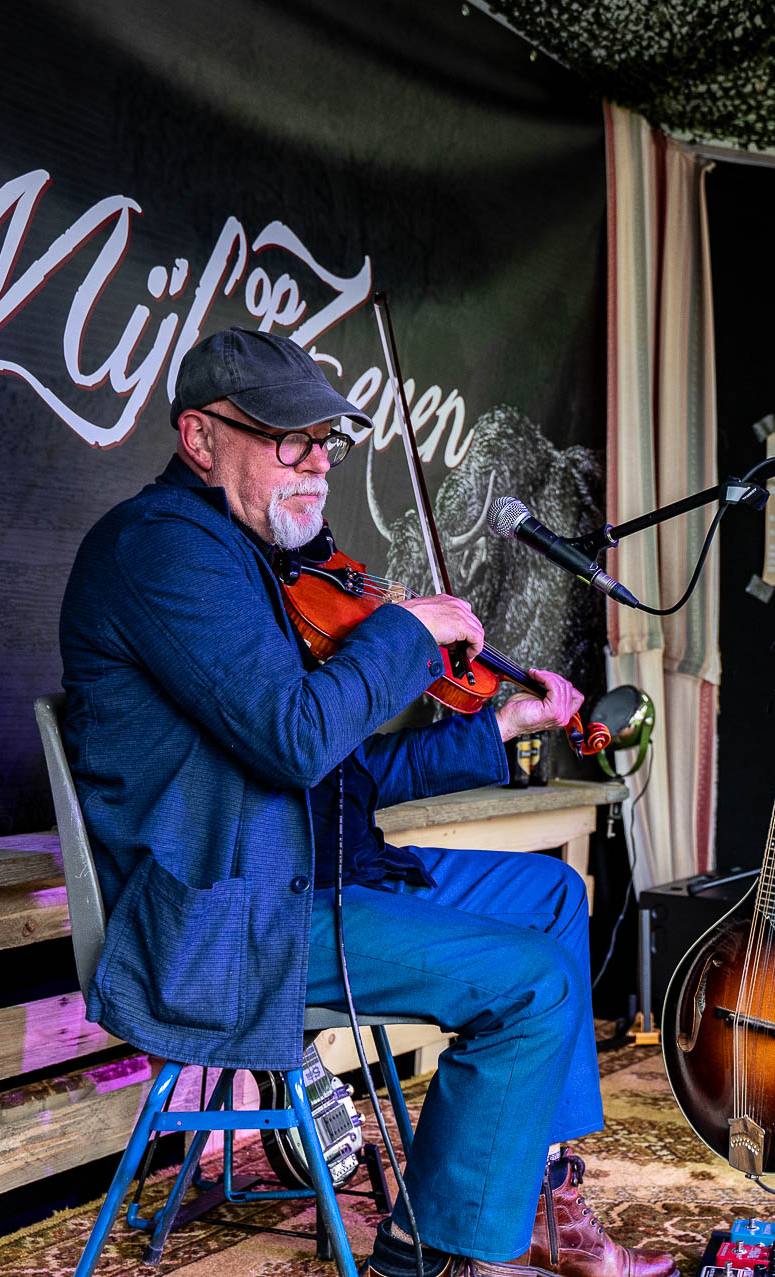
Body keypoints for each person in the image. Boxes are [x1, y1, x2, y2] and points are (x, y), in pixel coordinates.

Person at [60, 328, 670, 1277]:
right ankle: (433, 1250)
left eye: (326, 443)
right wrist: (403, 632)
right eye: (287, 440)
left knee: (553, 898)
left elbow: (343, 776)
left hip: (312, 874)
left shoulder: (260, 562)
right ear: (199, 437)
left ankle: (532, 1193)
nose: (316, 463)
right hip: (230, 919)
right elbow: (297, 737)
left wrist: (500, 725)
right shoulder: (161, 551)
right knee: (533, 986)